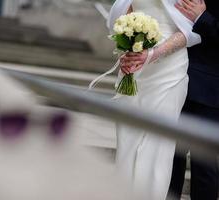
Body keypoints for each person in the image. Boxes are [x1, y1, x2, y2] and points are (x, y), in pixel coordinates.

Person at [91, 0, 201, 199]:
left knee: (158, 144)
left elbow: (190, 29)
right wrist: (127, 50)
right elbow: (124, 16)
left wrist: (153, 53)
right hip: (134, 66)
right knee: (127, 139)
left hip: (169, 70)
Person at [168, 0, 219, 199]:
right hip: (172, 79)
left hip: (208, 89)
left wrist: (201, 17)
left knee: (203, 163)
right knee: (170, 158)